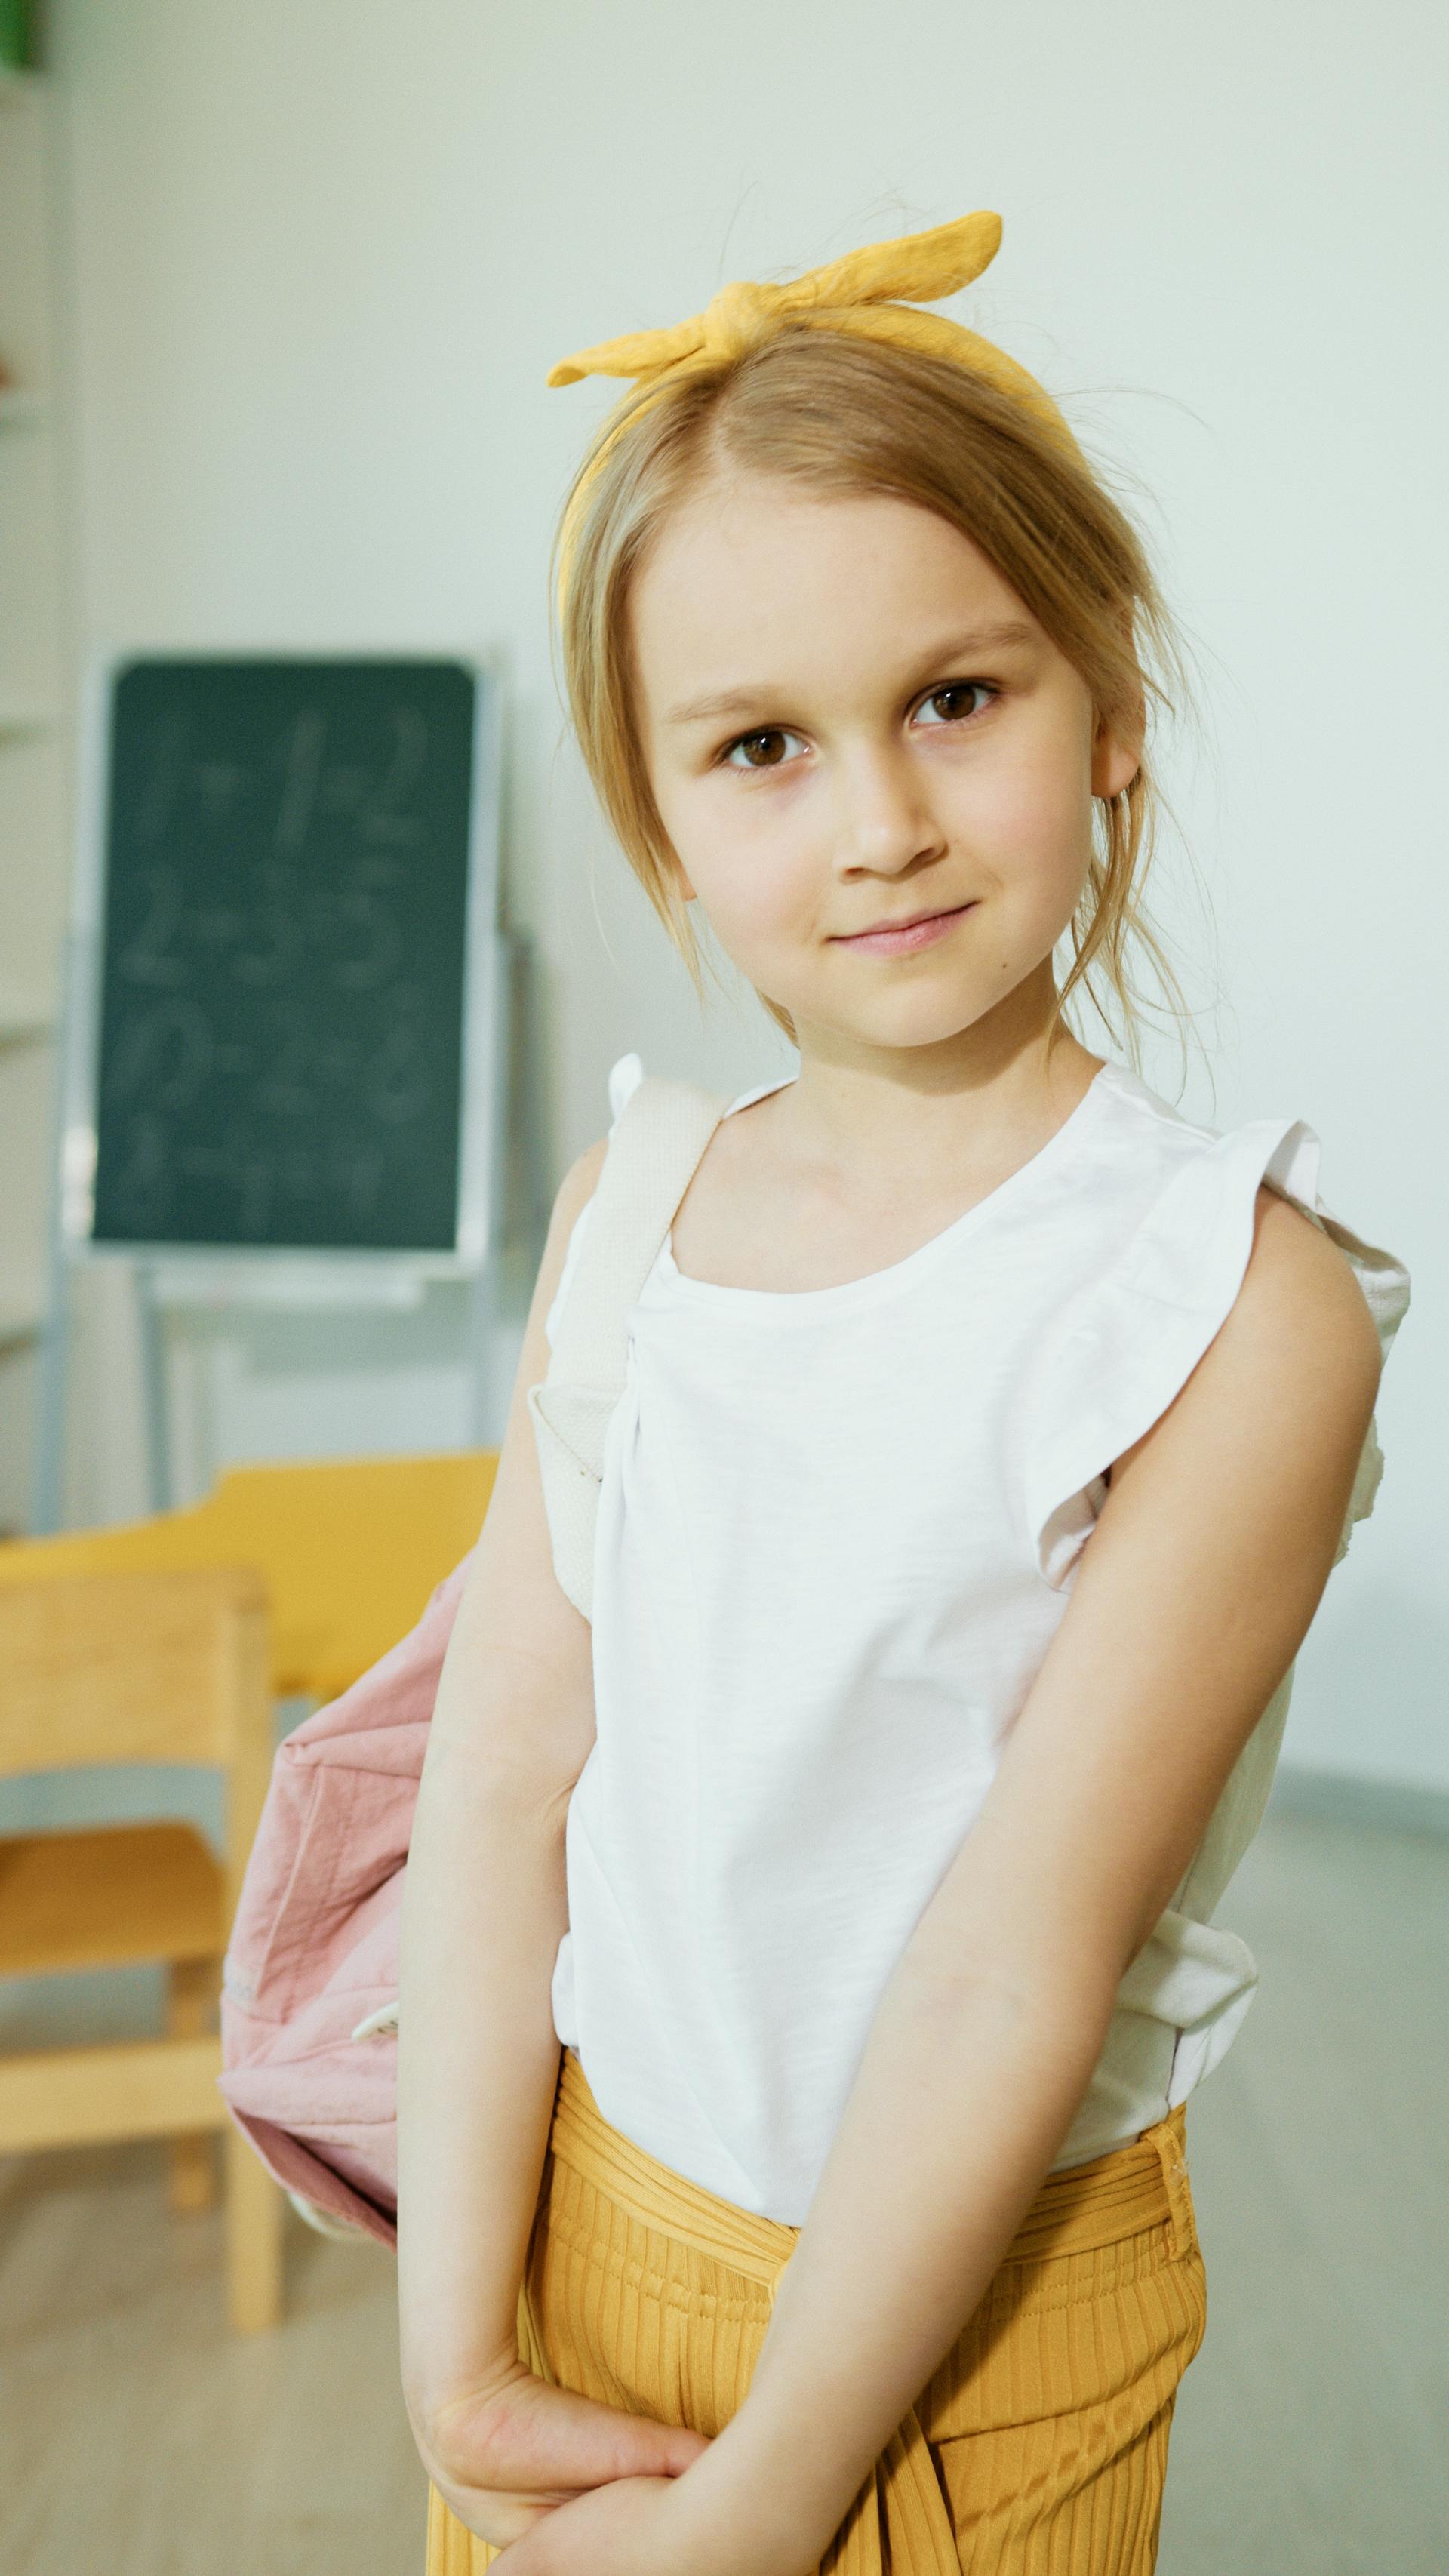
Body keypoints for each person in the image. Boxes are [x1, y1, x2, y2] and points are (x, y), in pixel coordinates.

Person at [395, 213, 1411, 2574]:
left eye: (957, 698)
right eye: (762, 746)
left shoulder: (1234, 1308)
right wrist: (456, 2357)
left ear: (1110, 699)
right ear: (663, 824)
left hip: (960, 2335)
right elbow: (499, 1786)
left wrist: (761, 2505)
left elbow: (1003, 1968)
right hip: (576, 2247)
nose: (879, 819)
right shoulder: (627, 1209)